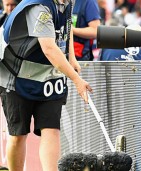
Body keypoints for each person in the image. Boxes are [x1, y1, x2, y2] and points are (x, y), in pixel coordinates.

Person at [0, 0, 93, 170]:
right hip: (16, 76)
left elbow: (66, 28)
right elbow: (49, 48)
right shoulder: (39, 6)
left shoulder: (68, 1)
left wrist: (71, 57)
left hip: (49, 78)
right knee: (18, 135)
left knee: (52, 129)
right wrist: (76, 80)